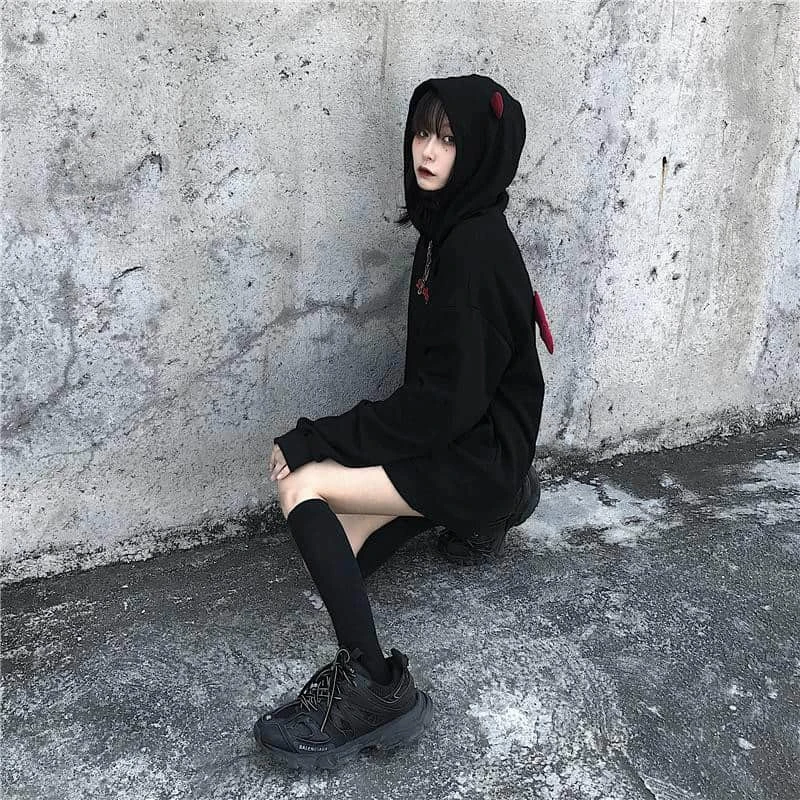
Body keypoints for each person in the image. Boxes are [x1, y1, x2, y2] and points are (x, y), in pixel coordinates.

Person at [253, 73, 550, 771]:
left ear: (479, 151)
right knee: (344, 556)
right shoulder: (448, 230)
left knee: (303, 489)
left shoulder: (473, 250)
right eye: (422, 133)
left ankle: (375, 687)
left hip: (476, 453)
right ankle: (498, 506)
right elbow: (438, 394)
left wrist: (319, 438)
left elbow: (438, 407)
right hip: (471, 444)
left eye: (449, 139)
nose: (428, 151)